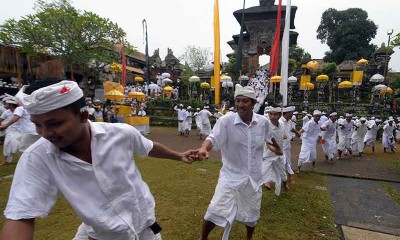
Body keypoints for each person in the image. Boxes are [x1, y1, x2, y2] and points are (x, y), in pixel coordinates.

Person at [0, 79, 198, 240]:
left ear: (83, 116)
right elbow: (21, 216)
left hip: (147, 231)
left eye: (54, 123)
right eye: (37, 125)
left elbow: (148, 147)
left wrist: (179, 155)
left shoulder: (121, 134)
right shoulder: (37, 157)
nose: (45, 133)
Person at [196, 84, 280, 240]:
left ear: (253, 104)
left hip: (253, 179)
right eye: (238, 101)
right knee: (214, 211)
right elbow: (212, 138)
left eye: (245, 101)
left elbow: (269, 137)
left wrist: (276, 148)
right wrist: (203, 148)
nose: (241, 105)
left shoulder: (262, 122)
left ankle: (249, 238)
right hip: (230, 177)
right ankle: (203, 238)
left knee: (252, 215)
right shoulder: (226, 121)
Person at [262, 106, 288, 195]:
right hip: (268, 154)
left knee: (282, 174)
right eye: (270, 114)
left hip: (279, 154)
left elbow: (283, 133)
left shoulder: (282, 124)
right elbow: (267, 143)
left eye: (275, 114)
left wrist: (283, 137)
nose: (272, 116)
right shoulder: (266, 126)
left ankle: (285, 184)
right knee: (262, 173)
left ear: (280, 115)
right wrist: (274, 150)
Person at [279, 106, 300, 183]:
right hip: (280, 147)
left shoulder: (289, 121)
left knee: (287, 161)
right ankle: (288, 177)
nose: (292, 115)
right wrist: (281, 135)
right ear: (287, 113)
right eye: (291, 113)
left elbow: (291, 129)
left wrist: (297, 133)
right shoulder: (280, 121)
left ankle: (288, 177)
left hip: (287, 146)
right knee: (284, 162)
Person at [0, 98, 22, 166]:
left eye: (7, 103)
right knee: (6, 145)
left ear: (11, 104)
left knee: (20, 146)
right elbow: (1, 119)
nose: (5, 105)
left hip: (21, 131)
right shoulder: (6, 112)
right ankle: (6, 160)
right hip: (10, 131)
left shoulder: (20, 110)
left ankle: (23, 159)